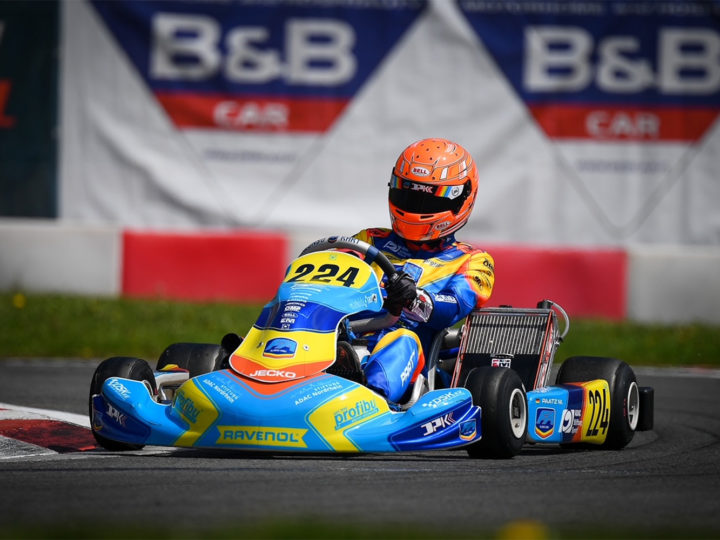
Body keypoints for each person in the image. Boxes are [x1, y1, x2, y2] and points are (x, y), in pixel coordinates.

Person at [351, 137, 495, 404]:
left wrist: (414, 298)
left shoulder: (473, 260)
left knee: (402, 341)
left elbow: (455, 305)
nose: (416, 209)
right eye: (408, 196)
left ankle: (368, 400)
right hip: (345, 337)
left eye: (427, 201)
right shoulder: (369, 240)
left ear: (460, 198)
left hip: (409, 352)